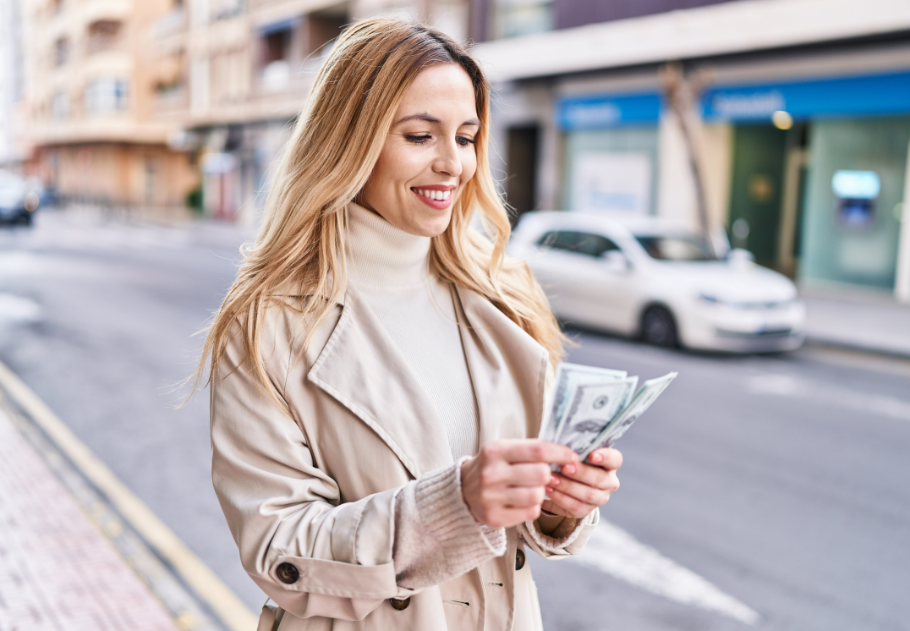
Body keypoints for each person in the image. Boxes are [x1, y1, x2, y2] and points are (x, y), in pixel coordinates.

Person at [198, 17, 623, 631]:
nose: (454, 164)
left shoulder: (502, 293)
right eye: (421, 136)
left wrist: (559, 506)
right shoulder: (268, 322)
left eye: (468, 137)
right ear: (350, 142)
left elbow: (523, 522)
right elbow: (277, 549)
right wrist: (455, 506)